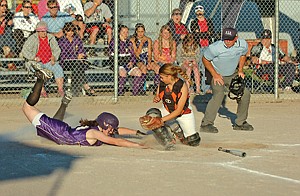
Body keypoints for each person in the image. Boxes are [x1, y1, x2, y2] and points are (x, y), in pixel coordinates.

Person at [22, 65, 147, 148]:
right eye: (110, 128)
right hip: (59, 133)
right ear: (104, 125)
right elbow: (116, 141)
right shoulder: (95, 132)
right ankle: (40, 79)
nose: (112, 131)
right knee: (27, 107)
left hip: (62, 131)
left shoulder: (100, 128)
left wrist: (137, 133)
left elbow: (118, 130)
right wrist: (139, 146)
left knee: (50, 125)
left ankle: (63, 103)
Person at [200, 27, 253, 133]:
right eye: (225, 39)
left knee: (245, 94)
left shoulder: (242, 44)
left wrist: (240, 70)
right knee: (219, 95)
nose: (227, 41)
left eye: (230, 39)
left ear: (236, 38)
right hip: (217, 74)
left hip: (232, 74)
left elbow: (243, 54)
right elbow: (205, 59)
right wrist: (215, 74)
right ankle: (206, 124)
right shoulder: (215, 47)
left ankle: (240, 122)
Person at [152, 63, 200, 146]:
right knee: (152, 114)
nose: (161, 79)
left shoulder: (181, 86)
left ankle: (176, 128)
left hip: (183, 114)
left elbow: (178, 111)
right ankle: (168, 141)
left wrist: (161, 120)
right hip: (168, 110)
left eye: (162, 77)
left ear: (169, 76)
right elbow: (159, 91)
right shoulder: (163, 83)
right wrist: (157, 97)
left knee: (193, 140)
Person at [21, 21, 65, 97]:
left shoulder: (51, 37)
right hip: (37, 62)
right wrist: (33, 58)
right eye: (41, 31)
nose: (43, 33)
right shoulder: (32, 38)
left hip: (49, 61)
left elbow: (57, 49)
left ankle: (60, 90)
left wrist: (54, 57)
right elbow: (24, 51)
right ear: (37, 31)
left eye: (44, 31)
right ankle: (42, 91)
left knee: (58, 69)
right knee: (39, 71)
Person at [251, 29, 297, 93]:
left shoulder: (274, 47)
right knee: (270, 66)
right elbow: (253, 60)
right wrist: (266, 62)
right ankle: (278, 87)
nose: (265, 40)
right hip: (263, 68)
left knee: (291, 66)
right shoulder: (257, 47)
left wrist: (291, 61)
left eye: (267, 38)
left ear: (270, 39)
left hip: (276, 66)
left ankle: (286, 86)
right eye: (263, 38)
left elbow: (284, 57)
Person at [58, 22, 95, 96]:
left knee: (77, 67)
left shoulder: (77, 39)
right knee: (78, 66)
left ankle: (75, 91)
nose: (71, 33)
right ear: (65, 31)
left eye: (72, 31)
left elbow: (82, 50)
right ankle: (85, 86)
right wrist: (75, 57)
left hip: (78, 63)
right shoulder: (62, 41)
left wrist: (81, 55)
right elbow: (63, 55)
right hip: (66, 63)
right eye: (69, 31)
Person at [109, 24, 144, 96]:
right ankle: (120, 93)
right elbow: (116, 54)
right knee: (122, 72)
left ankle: (135, 93)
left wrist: (132, 62)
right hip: (118, 63)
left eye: (127, 32)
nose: (126, 34)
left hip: (127, 63)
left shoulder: (129, 42)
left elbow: (133, 55)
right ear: (119, 33)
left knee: (138, 72)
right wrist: (124, 47)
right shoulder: (114, 42)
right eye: (123, 32)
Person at [188, 5, 215, 94]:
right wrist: (205, 34)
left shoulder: (209, 22)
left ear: (203, 12)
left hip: (208, 46)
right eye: (197, 10)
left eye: (200, 10)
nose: (199, 12)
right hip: (198, 47)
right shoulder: (194, 22)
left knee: (207, 67)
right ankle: (197, 87)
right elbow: (195, 35)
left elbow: (211, 34)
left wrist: (200, 33)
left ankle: (206, 87)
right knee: (199, 67)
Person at [130, 23, 158, 95]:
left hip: (146, 59)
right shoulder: (133, 40)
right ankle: (142, 88)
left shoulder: (148, 39)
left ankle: (156, 88)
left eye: (142, 31)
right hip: (138, 60)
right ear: (136, 31)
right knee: (143, 68)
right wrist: (141, 43)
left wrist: (149, 62)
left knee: (157, 68)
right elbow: (136, 54)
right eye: (139, 31)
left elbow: (149, 53)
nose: (140, 34)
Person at [153, 25, 177, 92]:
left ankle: (172, 87)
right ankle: (158, 88)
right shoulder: (157, 42)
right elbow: (156, 57)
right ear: (161, 33)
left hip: (169, 62)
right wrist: (163, 62)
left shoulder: (172, 42)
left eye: (168, 33)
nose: (167, 35)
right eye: (165, 33)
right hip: (160, 61)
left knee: (173, 69)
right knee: (158, 69)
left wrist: (169, 62)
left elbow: (173, 56)